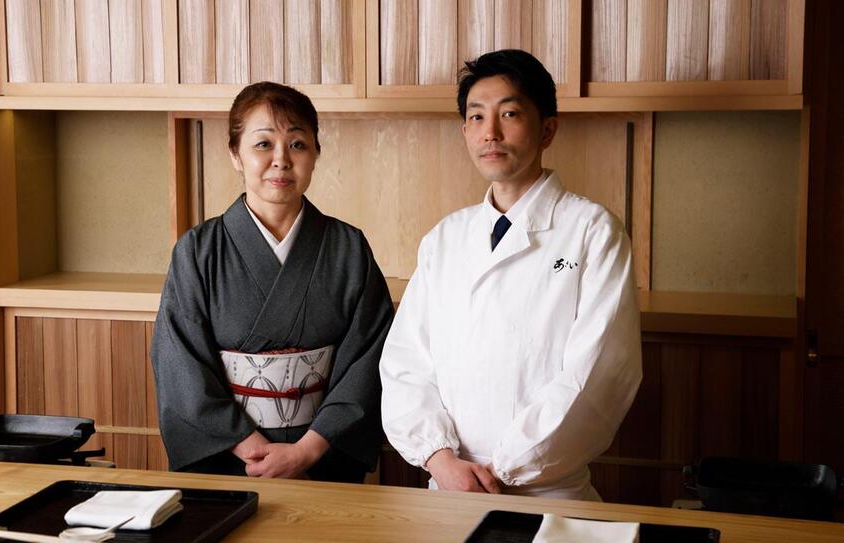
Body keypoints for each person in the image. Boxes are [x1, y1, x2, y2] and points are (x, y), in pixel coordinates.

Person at [379, 49, 642, 500]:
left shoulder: (592, 231)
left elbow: (598, 374)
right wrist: (442, 460)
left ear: (548, 129)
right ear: (465, 130)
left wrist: (508, 466)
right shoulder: (445, 238)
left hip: (547, 486)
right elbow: (405, 364)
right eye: (476, 117)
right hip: (448, 483)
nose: (491, 133)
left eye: (510, 113)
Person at [151, 81, 394, 483]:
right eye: (263, 144)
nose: (281, 159)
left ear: (316, 153)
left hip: (322, 455)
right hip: (229, 457)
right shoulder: (197, 251)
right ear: (235, 154)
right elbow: (180, 364)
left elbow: (369, 360)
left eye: (297, 144)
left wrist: (307, 450)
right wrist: (252, 448)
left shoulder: (348, 248)